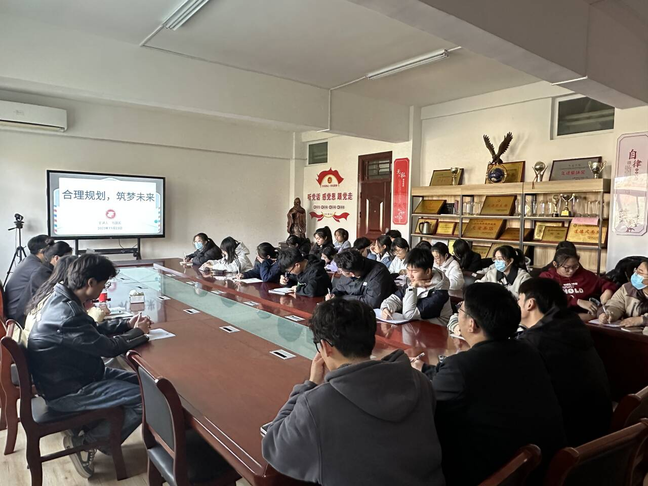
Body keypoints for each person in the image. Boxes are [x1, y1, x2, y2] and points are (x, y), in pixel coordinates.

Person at [262, 299, 445, 486]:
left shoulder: (317, 405)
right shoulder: (420, 381)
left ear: (326, 347)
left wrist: (309, 385)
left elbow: (274, 446)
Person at [412, 283, 566, 485]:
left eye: (461, 310)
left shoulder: (461, 368)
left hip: (496, 475)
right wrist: (428, 370)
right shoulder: (527, 351)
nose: (458, 314)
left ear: (472, 324)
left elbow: (424, 411)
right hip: (538, 468)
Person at [26, 254, 151, 478]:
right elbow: (108, 348)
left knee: (149, 384)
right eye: (104, 284)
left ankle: (101, 433)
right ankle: (88, 443)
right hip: (69, 391)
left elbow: (90, 330)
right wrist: (137, 333)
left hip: (75, 377)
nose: (104, 288)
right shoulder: (68, 314)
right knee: (147, 398)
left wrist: (125, 324)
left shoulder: (61, 298)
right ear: (91, 283)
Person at [517, 278, 611, 446]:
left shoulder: (535, 341)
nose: (516, 303)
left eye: (519, 299)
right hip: (598, 429)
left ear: (530, 304)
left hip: (569, 440)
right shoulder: (571, 325)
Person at [380, 248, 452, 325]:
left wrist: (413, 287)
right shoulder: (413, 281)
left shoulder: (439, 292)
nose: (410, 275)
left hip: (436, 329)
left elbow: (409, 315)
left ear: (428, 271)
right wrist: (386, 308)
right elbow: (395, 299)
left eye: (414, 271)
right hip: (416, 326)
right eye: (408, 270)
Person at [539, 249, 617, 319]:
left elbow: (606, 284)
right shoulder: (547, 277)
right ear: (555, 264)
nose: (571, 271)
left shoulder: (585, 276)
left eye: (575, 266)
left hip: (588, 317)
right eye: (566, 268)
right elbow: (548, 298)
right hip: (557, 319)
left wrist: (608, 291)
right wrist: (577, 302)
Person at [14, 241, 73, 323]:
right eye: (67, 259)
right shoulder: (44, 274)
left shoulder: (47, 269)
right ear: (56, 258)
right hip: (26, 319)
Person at [5, 235, 53, 319]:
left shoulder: (27, 260)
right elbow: (48, 291)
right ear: (42, 251)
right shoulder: (37, 268)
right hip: (18, 314)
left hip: (12, 309)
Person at [328, 250, 396, 308]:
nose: (341, 273)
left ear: (352, 273)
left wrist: (342, 298)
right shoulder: (346, 266)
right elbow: (339, 288)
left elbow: (371, 302)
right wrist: (334, 294)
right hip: (350, 307)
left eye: (341, 271)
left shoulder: (378, 272)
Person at [598, 258, 648, 327]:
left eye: (640, 272)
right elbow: (616, 304)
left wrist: (641, 320)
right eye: (636, 270)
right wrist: (609, 314)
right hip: (628, 331)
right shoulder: (627, 288)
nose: (636, 274)